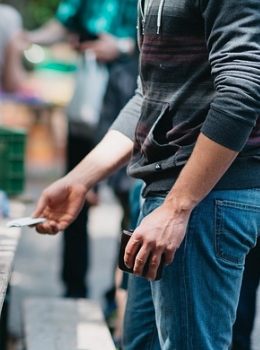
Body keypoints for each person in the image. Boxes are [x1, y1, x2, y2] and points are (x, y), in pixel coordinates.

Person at [31, 0, 260, 349]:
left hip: (204, 201)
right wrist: (80, 178)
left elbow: (243, 90)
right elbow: (148, 94)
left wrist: (177, 208)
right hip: (166, 199)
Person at [25, 0, 138, 299]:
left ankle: (119, 295)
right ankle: (74, 288)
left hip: (126, 102)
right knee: (73, 198)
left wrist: (124, 48)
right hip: (88, 110)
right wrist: (25, 37)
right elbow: (61, 26)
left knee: (131, 205)